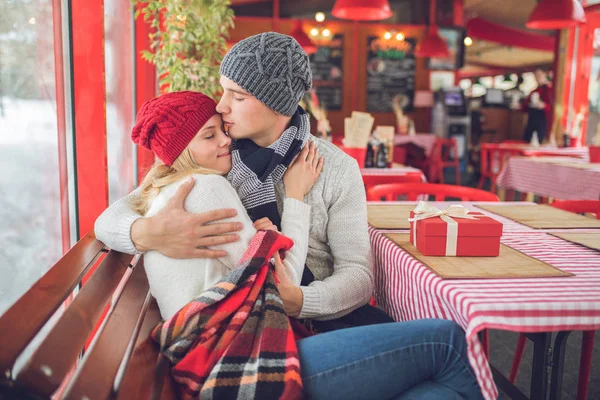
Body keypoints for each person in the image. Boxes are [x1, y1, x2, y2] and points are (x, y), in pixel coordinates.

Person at [96, 31, 391, 331]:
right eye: (223, 90)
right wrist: (149, 232)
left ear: (277, 105)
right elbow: (110, 218)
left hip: (314, 323)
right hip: (253, 330)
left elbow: (357, 275)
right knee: (439, 345)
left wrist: (299, 300)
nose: (221, 106)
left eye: (237, 96)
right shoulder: (215, 154)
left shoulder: (336, 168)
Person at [128, 90, 322, 320]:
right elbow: (284, 285)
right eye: (209, 136)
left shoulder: (167, 189)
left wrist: (260, 243)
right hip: (230, 346)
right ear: (181, 151)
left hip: (199, 339)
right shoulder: (205, 188)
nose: (226, 141)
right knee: (376, 340)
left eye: (222, 130)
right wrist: (295, 194)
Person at [522, 68, 553, 143]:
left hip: (542, 121)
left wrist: (544, 106)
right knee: (527, 139)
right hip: (531, 120)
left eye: (539, 75)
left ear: (544, 75)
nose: (537, 78)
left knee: (540, 140)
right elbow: (524, 107)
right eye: (536, 76)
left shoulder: (550, 91)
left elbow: (553, 108)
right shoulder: (533, 91)